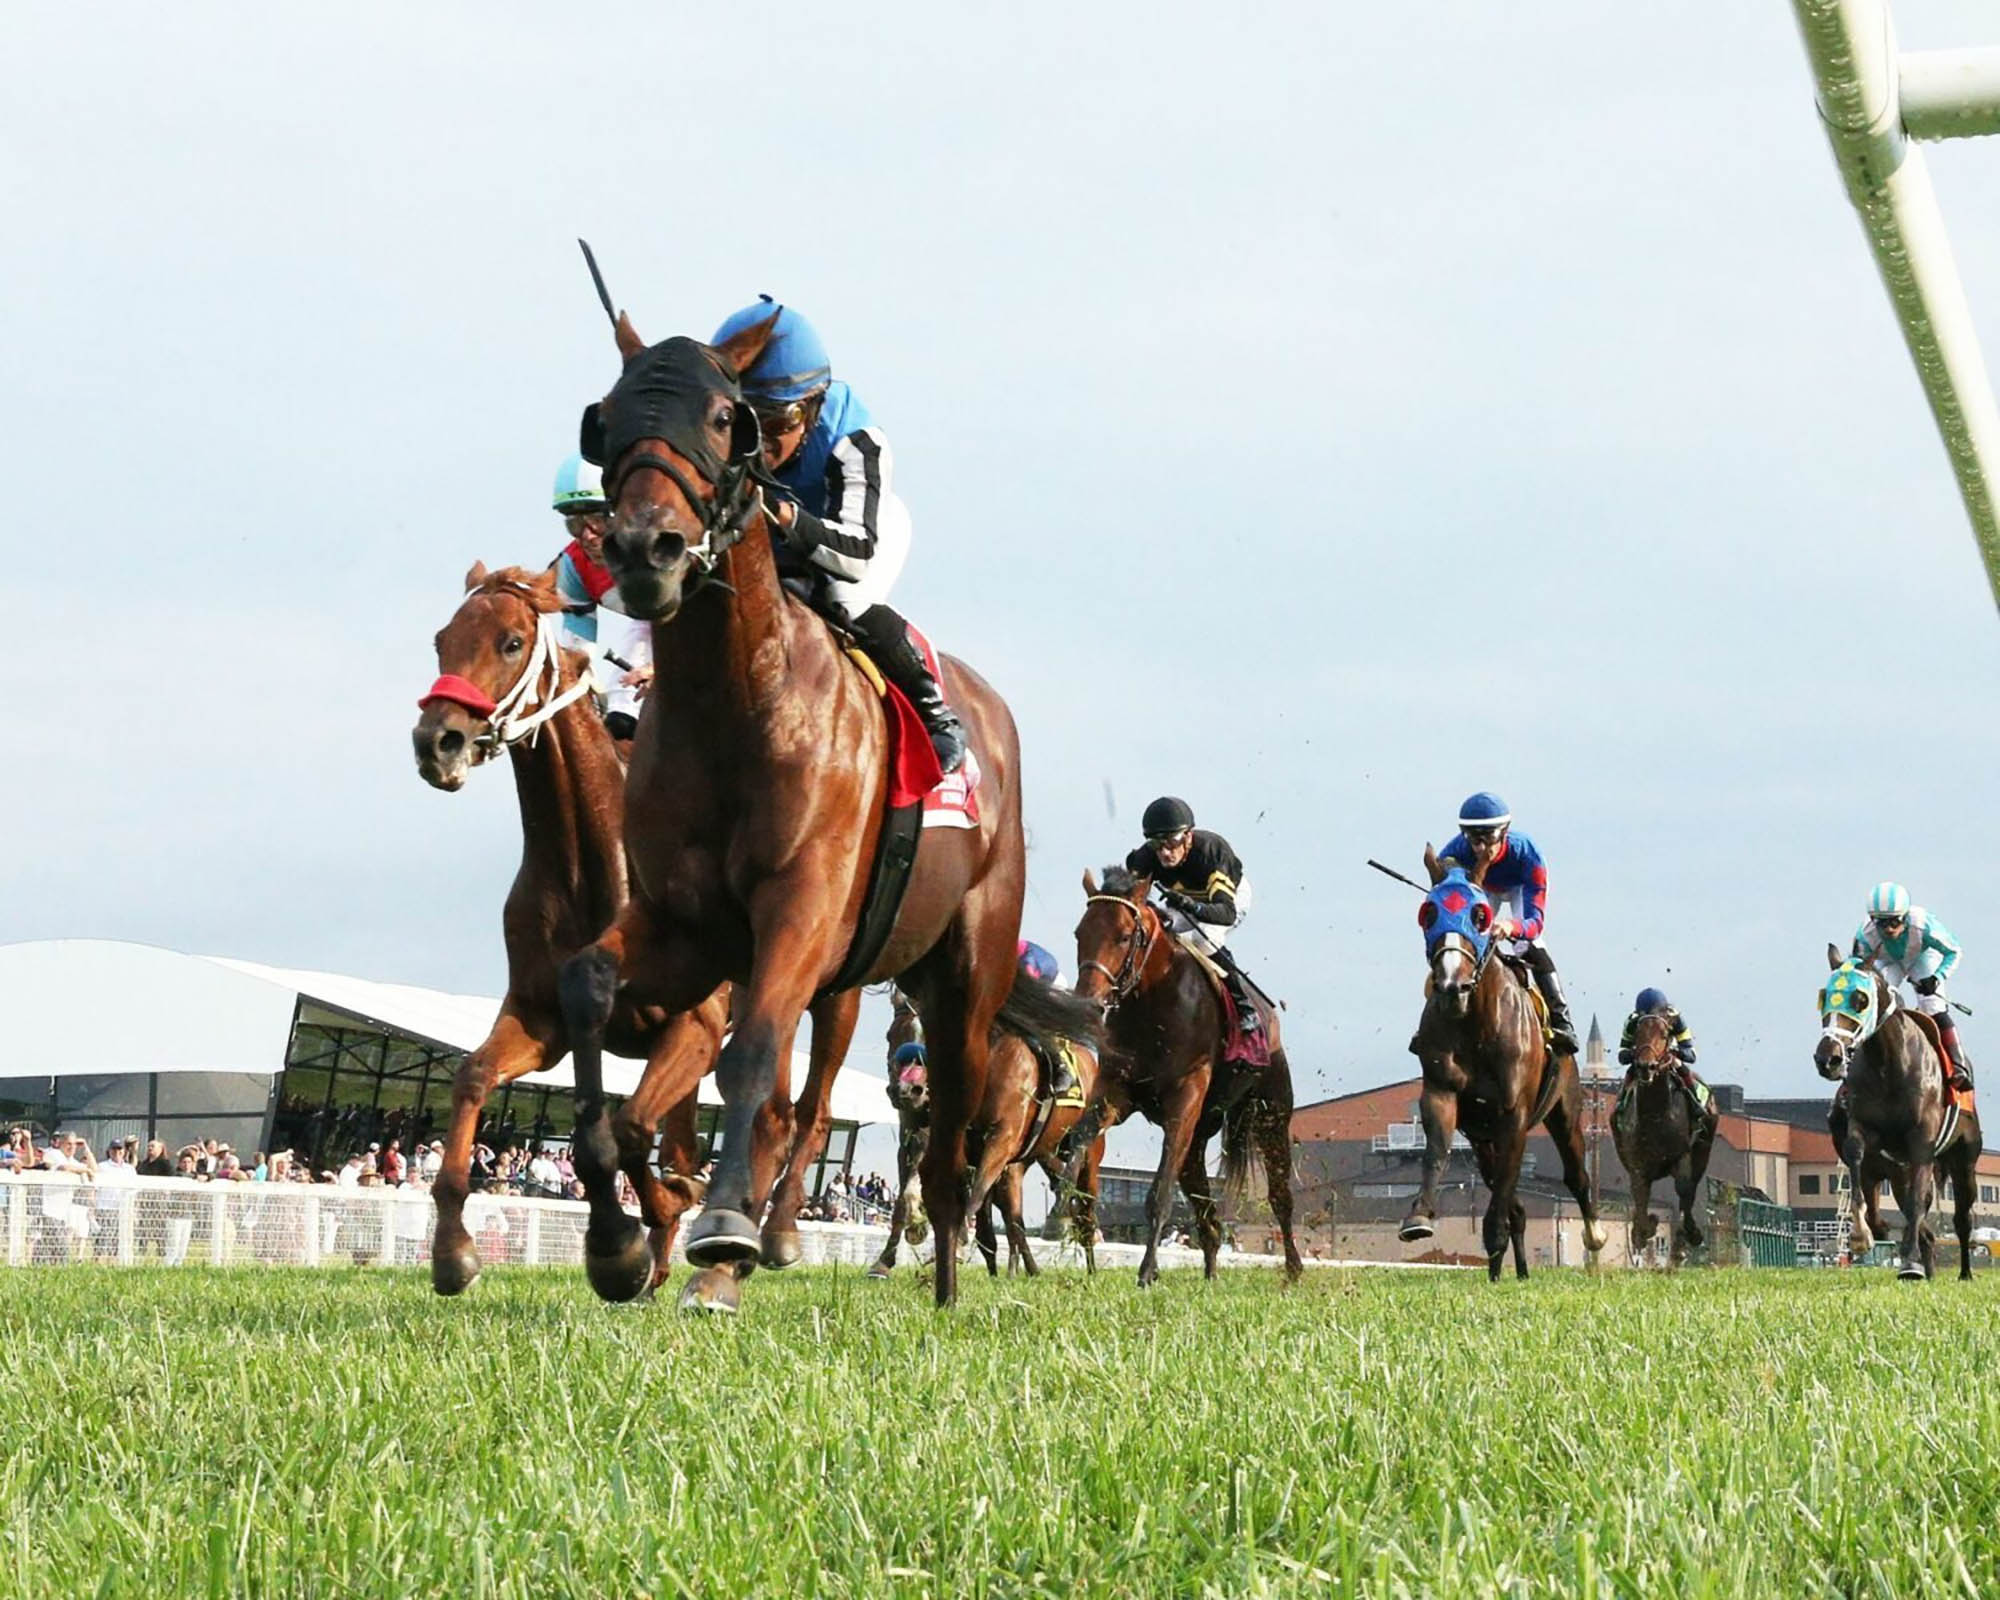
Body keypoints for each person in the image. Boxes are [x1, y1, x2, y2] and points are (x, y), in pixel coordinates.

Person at [712, 296, 966, 773]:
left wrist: (789, 520)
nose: (762, 442)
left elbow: (854, 553)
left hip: (860, 533)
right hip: (780, 536)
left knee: (844, 597)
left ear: (812, 407)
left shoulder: (857, 441)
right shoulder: (724, 439)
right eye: (750, 421)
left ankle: (935, 713)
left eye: (779, 422)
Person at [1434, 791, 1579, 1056]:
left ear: (1504, 832)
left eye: (1487, 837)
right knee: (1459, 939)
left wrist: (1511, 927)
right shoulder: (1455, 850)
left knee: (1528, 945)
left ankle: (1562, 1019)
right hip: (1482, 887)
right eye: (1472, 838)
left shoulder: (1528, 855)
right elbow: (1444, 882)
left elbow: (1535, 923)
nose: (1479, 847)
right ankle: (1437, 1014)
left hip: (1519, 888)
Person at [1126, 796, 1262, 1035]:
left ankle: (1244, 1006)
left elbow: (1226, 914)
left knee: (1203, 939)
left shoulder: (1211, 852)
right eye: (1157, 844)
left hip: (1227, 901)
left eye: (1172, 841)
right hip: (1184, 901)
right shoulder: (1147, 856)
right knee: (1154, 927)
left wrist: (1192, 906)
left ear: (1188, 836)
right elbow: (1131, 899)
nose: (1165, 852)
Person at [549, 453, 653, 739]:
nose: (588, 536)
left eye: (598, 519)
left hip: (699, 628)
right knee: (619, 722)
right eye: (575, 523)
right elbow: (576, 654)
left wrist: (661, 670)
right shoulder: (572, 568)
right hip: (648, 625)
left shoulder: (658, 549)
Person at [1851, 882, 1971, 1090]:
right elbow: (1858, 968)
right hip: (1888, 961)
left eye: (1894, 922)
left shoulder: (1923, 924)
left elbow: (1954, 951)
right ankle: (1853, 1066)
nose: (1888, 929)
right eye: (1881, 923)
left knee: (1931, 1006)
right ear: (1873, 920)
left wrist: (1937, 977)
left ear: (1905, 917)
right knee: (1876, 1003)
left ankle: (1959, 1064)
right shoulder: (1865, 935)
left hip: (1922, 956)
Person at [1619, 987, 1705, 1106]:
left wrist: (1676, 1052)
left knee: (1680, 1066)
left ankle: (1696, 1104)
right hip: (1642, 1058)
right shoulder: (1631, 1023)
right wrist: (1633, 1053)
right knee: (1631, 1070)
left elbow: (1691, 1054)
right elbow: (1622, 1053)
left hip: (1668, 1057)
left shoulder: (1676, 1019)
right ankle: (1620, 1107)